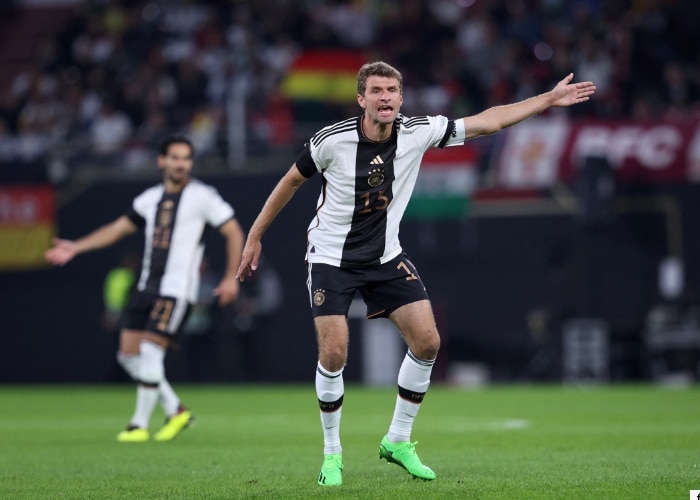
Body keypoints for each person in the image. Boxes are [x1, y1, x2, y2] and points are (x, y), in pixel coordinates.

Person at [236, 61, 595, 486]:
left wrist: (549, 100)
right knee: (333, 354)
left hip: (385, 256)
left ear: (401, 99)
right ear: (361, 99)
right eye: (377, 91)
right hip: (331, 257)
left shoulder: (418, 130)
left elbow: (488, 122)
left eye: (392, 90)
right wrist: (255, 235)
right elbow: (289, 182)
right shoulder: (331, 141)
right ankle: (332, 454)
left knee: (427, 341)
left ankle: (398, 440)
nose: (385, 97)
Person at [46, 135, 245, 442]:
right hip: (146, 286)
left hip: (177, 289)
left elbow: (233, 231)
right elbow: (116, 229)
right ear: (161, 161)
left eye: (186, 158)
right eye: (175, 157)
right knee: (128, 356)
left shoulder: (203, 196)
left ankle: (138, 425)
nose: (181, 164)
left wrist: (231, 277)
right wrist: (76, 246)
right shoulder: (149, 198)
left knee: (151, 350)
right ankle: (175, 409)